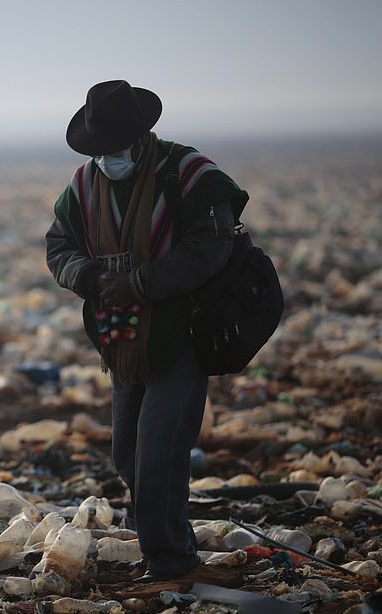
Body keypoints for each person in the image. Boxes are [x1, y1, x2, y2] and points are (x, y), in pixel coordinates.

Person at [46, 80, 249, 582]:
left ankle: (170, 561)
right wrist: (93, 279)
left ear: (141, 137)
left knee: (159, 453)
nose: (110, 158)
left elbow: (211, 246)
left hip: (181, 335)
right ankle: (164, 544)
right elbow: (59, 247)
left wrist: (138, 283)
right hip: (122, 339)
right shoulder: (84, 186)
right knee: (129, 455)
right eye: (101, 151)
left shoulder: (189, 174)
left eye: (117, 148)